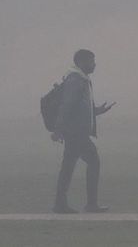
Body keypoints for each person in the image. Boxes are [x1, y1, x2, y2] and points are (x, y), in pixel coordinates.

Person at [52, 49, 115, 214]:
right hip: (76, 133)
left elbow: (78, 108)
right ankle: (91, 204)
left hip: (74, 132)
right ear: (81, 62)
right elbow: (67, 106)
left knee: (68, 166)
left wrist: (97, 111)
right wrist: (58, 129)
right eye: (91, 61)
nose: (94, 65)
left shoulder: (80, 79)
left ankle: (60, 204)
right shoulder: (76, 80)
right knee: (93, 161)